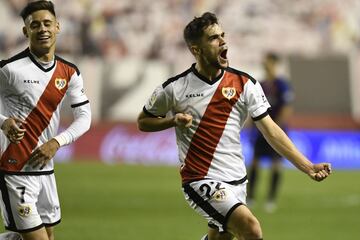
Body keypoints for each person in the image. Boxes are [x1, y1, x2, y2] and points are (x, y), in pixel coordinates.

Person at [138, 12, 331, 240]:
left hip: (237, 181)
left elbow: (271, 130)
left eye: (222, 35)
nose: (222, 42)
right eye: (213, 38)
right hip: (200, 179)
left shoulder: (245, 84)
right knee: (251, 229)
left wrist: (308, 166)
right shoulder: (174, 88)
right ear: (196, 49)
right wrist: (172, 120)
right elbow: (143, 121)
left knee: (221, 238)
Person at [0, 1, 91, 240]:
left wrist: (57, 142)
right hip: (14, 168)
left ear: (58, 27)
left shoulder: (69, 72)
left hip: (45, 170)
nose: (42, 29)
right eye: (35, 25)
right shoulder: (9, 70)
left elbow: (84, 117)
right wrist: (3, 121)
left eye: (47, 23)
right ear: (25, 31)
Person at [247, 53, 294, 212]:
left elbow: (287, 108)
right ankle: (250, 197)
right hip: (260, 129)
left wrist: (275, 128)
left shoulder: (282, 84)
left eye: (268, 60)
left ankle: (271, 199)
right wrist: (249, 124)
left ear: (274, 63)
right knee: (254, 162)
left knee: (276, 164)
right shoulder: (260, 84)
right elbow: (253, 107)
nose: (265, 63)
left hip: (276, 129)